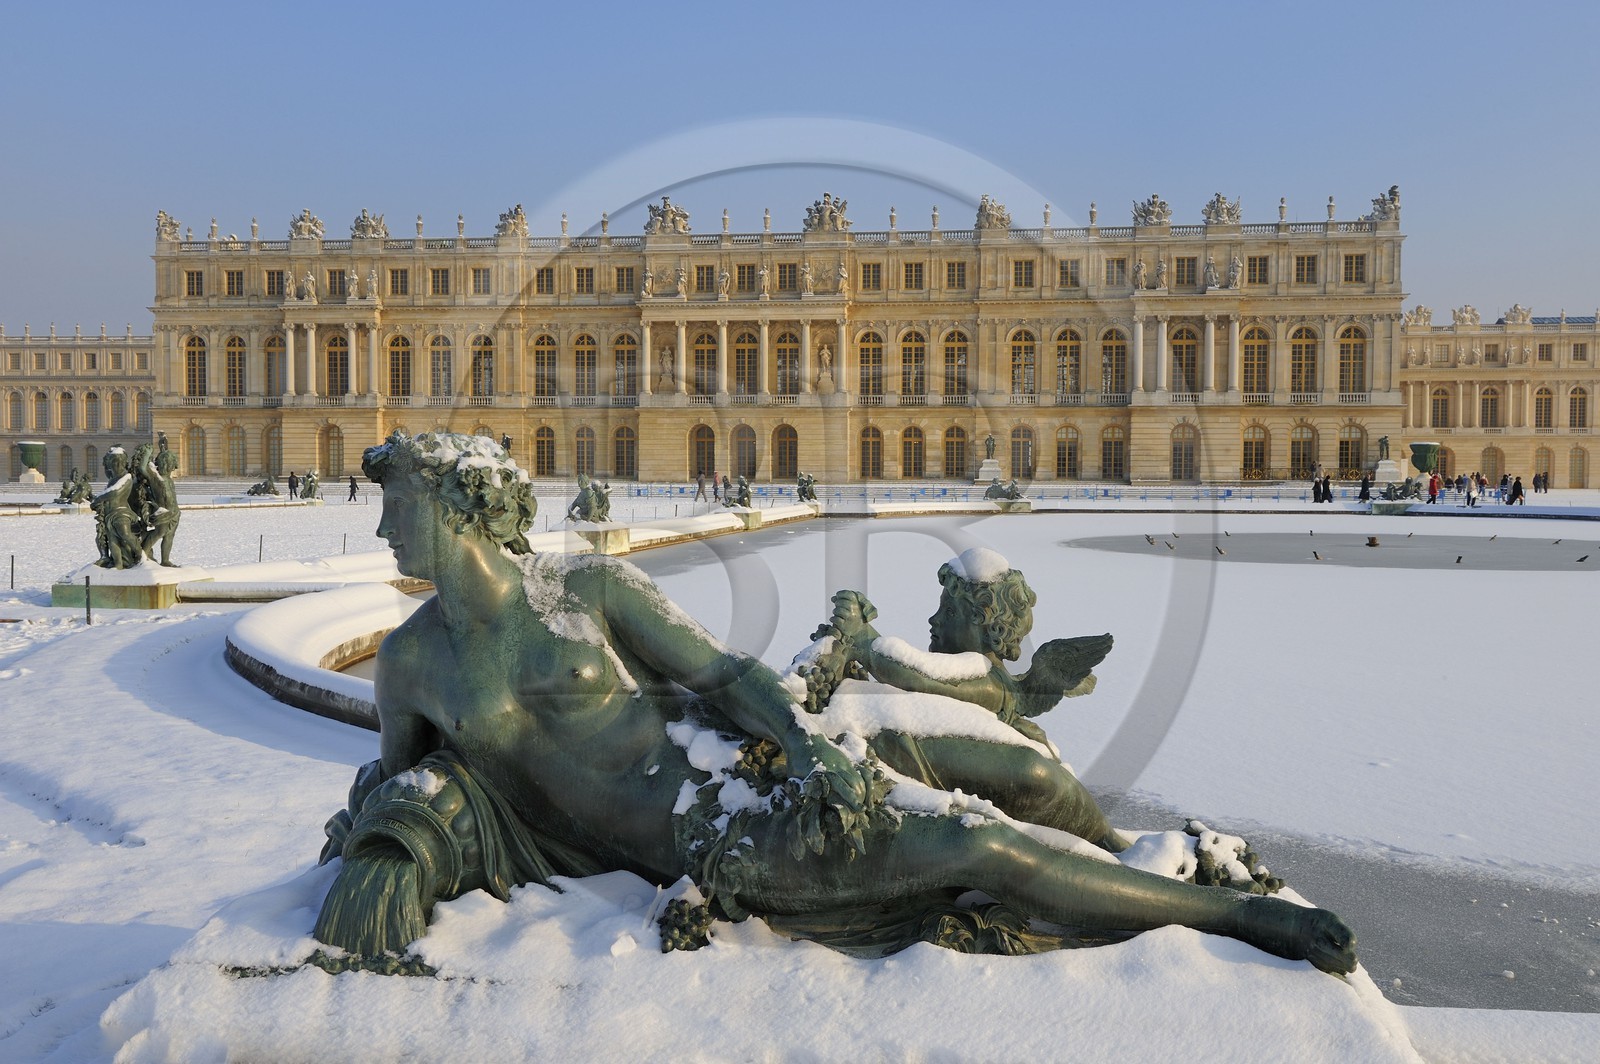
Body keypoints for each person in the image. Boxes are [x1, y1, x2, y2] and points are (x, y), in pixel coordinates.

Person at [312, 431, 1356, 977]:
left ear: (454, 504)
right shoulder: (410, 662)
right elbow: (396, 778)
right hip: (709, 850)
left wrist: (806, 745)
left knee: (988, 810)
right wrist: (391, 844)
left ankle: (1205, 899)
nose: (382, 529)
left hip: (742, 774)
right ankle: (1238, 914)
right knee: (975, 850)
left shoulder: (586, 589)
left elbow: (725, 675)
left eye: (396, 502)